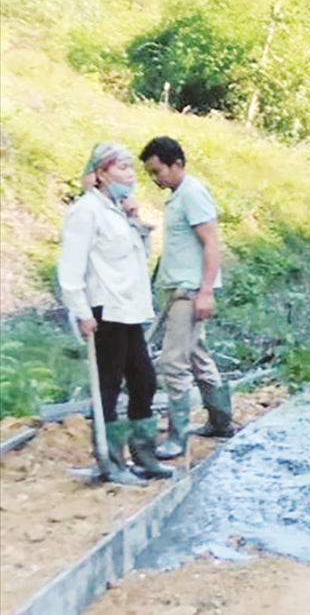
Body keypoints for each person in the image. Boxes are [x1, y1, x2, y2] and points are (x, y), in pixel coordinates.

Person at [58, 142, 175, 485]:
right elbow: (70, 268)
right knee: (107, 386)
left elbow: (137, 258)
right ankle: (111, 463)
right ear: (102, 173)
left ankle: (144, 455)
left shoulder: (120, 210)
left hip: (129, 309)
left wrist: (137, 220)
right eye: (122, 168)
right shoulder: (86, 211)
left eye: (130, 168)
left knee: (144, 381)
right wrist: (80, 311)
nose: (130, 175)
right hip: (104, 309)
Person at [140, 136, 235, 457]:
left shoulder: (192, 194)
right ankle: (221, 422)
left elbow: (211, 243)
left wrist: (205, 291)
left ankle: (178, 437)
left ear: (177, 164)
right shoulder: (178, 195)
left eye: (158, 171)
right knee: (197, 356)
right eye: (151, 173)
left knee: (173, 362)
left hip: (190, 292)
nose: (156, 179)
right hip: (179, 289)